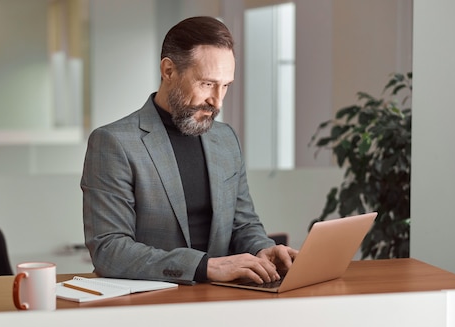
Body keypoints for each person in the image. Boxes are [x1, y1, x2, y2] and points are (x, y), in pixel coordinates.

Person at [81, 16, 297, 284]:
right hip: (150, 305)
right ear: (168, 71)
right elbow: (109, 250)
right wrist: (204, 267)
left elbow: (243, 224)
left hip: (226, 301)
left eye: (225, 85)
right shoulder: (114, 142)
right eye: (207, 83)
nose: (216, 100)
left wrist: (262, 249)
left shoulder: (226, 139)